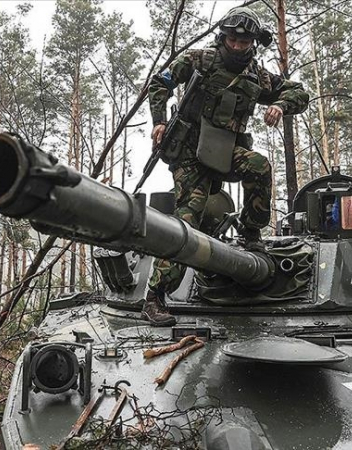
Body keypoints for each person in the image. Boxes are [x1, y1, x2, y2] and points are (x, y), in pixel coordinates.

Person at [141, 6, 310, 326]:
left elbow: (299, 93)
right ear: (223, 36)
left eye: (244, 43)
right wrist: (159, 122)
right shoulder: (199, 60)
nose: (236, 46)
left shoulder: (258, 77)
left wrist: (279, 104)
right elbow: (159, 82)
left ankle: (251, 231)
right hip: (190, 153)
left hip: (225, 151)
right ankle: (155, 297)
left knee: (259, 165)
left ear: (253, 44)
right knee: (187, 220)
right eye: (232, 39)